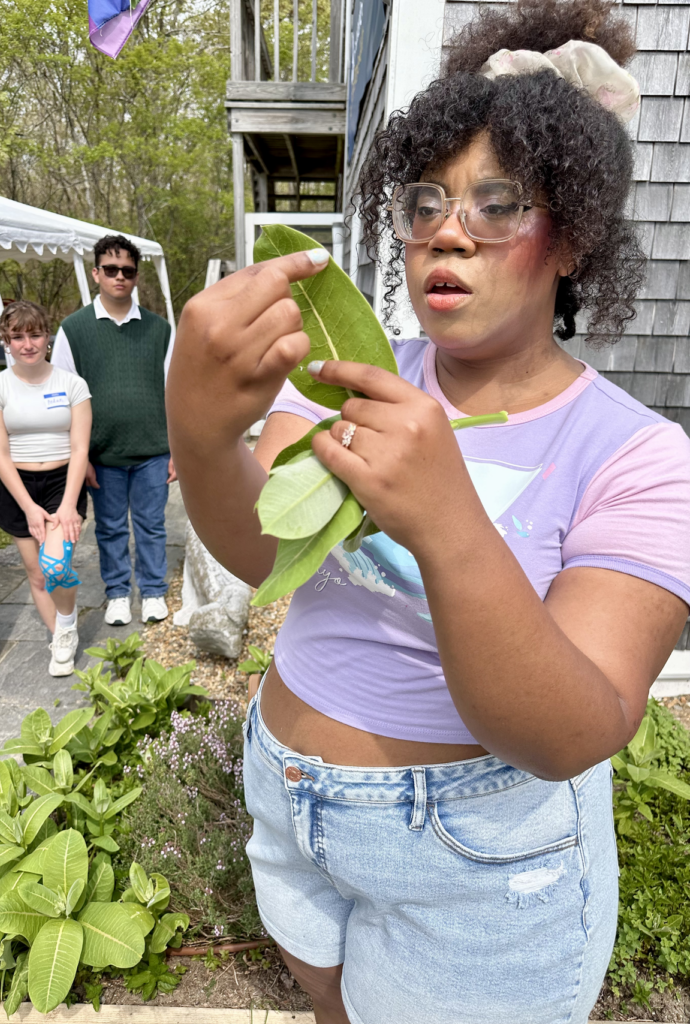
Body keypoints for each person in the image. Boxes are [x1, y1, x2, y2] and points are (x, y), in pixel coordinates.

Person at [166, 1, 690, 1021]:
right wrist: (198, 429)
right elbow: (264, 548)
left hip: (481, 866)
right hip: (290, 809)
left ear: (572, 241)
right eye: (426, 201)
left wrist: (449, 523)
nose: (450, 228)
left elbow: (571, 731)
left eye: (500, 204)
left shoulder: (640, 457)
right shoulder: (347, 376)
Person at [50, 234, 176, 627]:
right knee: (109, 528)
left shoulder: (160, 330)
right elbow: (64, 397)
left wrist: (177, 449)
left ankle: (153, 591)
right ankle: (118, 593)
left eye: (127, 271)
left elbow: (174, 391)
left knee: (153, 525)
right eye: (111, 269)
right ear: (96, 273)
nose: (119, 277)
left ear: (137, 277)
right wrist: (80, 456)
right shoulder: (73, 329)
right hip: (101, 454)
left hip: (153, 450)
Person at [0, 301, 92, 676]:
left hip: (63, 481)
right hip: (18, 486)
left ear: (48, 336)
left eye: (35, 334)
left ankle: (67, 622)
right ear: (5, 341)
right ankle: (59, 636)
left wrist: (68, 505)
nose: (27, 344)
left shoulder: (72, 384)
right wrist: (27, 506)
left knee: (57, 566)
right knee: (36, 572)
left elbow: (80, 448)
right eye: (17, 337)